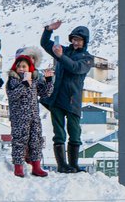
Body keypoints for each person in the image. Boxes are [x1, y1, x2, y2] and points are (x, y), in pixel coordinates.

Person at [39, 20, 93, 173]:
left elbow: (75, 68)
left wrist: (60, 57)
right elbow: (44, 43)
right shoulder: (62, 50)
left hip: (73, 100)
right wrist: (48, 29)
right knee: (59, 133)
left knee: (75, 133)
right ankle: (62, 165)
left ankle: (74, 165)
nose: (75, 42)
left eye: (79, 40)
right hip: (56, 98)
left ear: (84, 42)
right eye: (74, 39)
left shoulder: (87, 58)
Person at [5, 48, 53, 178]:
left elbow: (45, 93)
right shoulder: (13, 80)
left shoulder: (35, 79)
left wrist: (49, 81)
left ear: (30, 67)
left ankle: (36, 167)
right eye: (19, 66)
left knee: (36, 141)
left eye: (24, 66)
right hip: (19, 118)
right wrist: (24, 84)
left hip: (34, 116)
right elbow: (12, 95)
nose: (21, 69)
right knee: (19, 141)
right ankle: (18, 166)